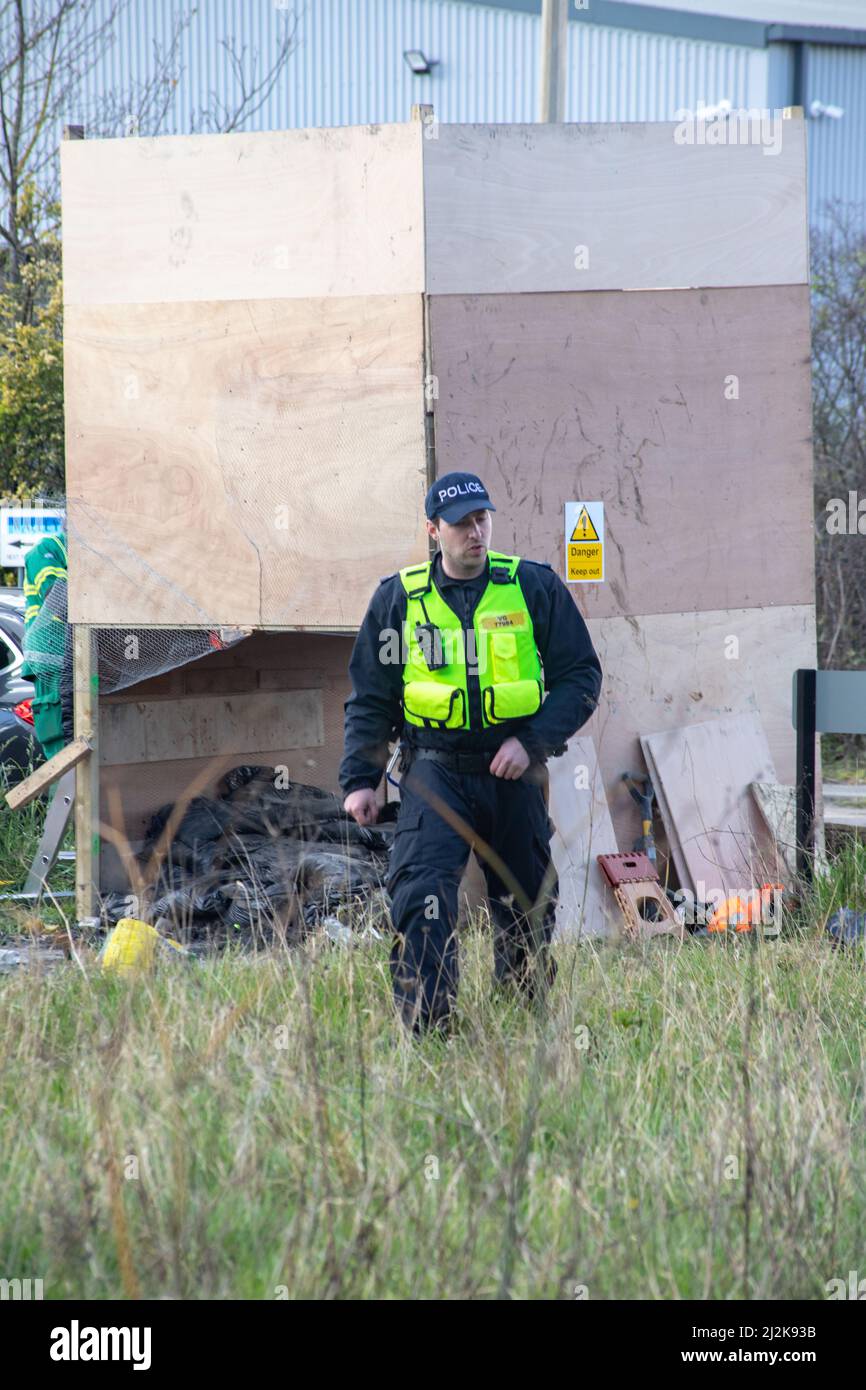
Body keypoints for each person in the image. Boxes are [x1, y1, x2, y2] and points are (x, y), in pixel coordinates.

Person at [340, 472, 603, 1037]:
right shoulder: (399, 598)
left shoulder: (532, 587)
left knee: (527, 899)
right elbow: (371, 696)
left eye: (482, 519)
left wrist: (530, 741)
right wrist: (361, 779)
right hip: (434, 770)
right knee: (422, 895)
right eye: (461, 524)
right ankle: (430, 1028)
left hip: (512, 772)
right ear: (434, 530)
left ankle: (522, 1006)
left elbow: (581, 677)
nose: (475, 532)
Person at [21, 527, 72, 759]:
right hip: (51, 658)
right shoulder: (48, 549)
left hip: (77, 657)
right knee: (63, 736)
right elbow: (58, 599)